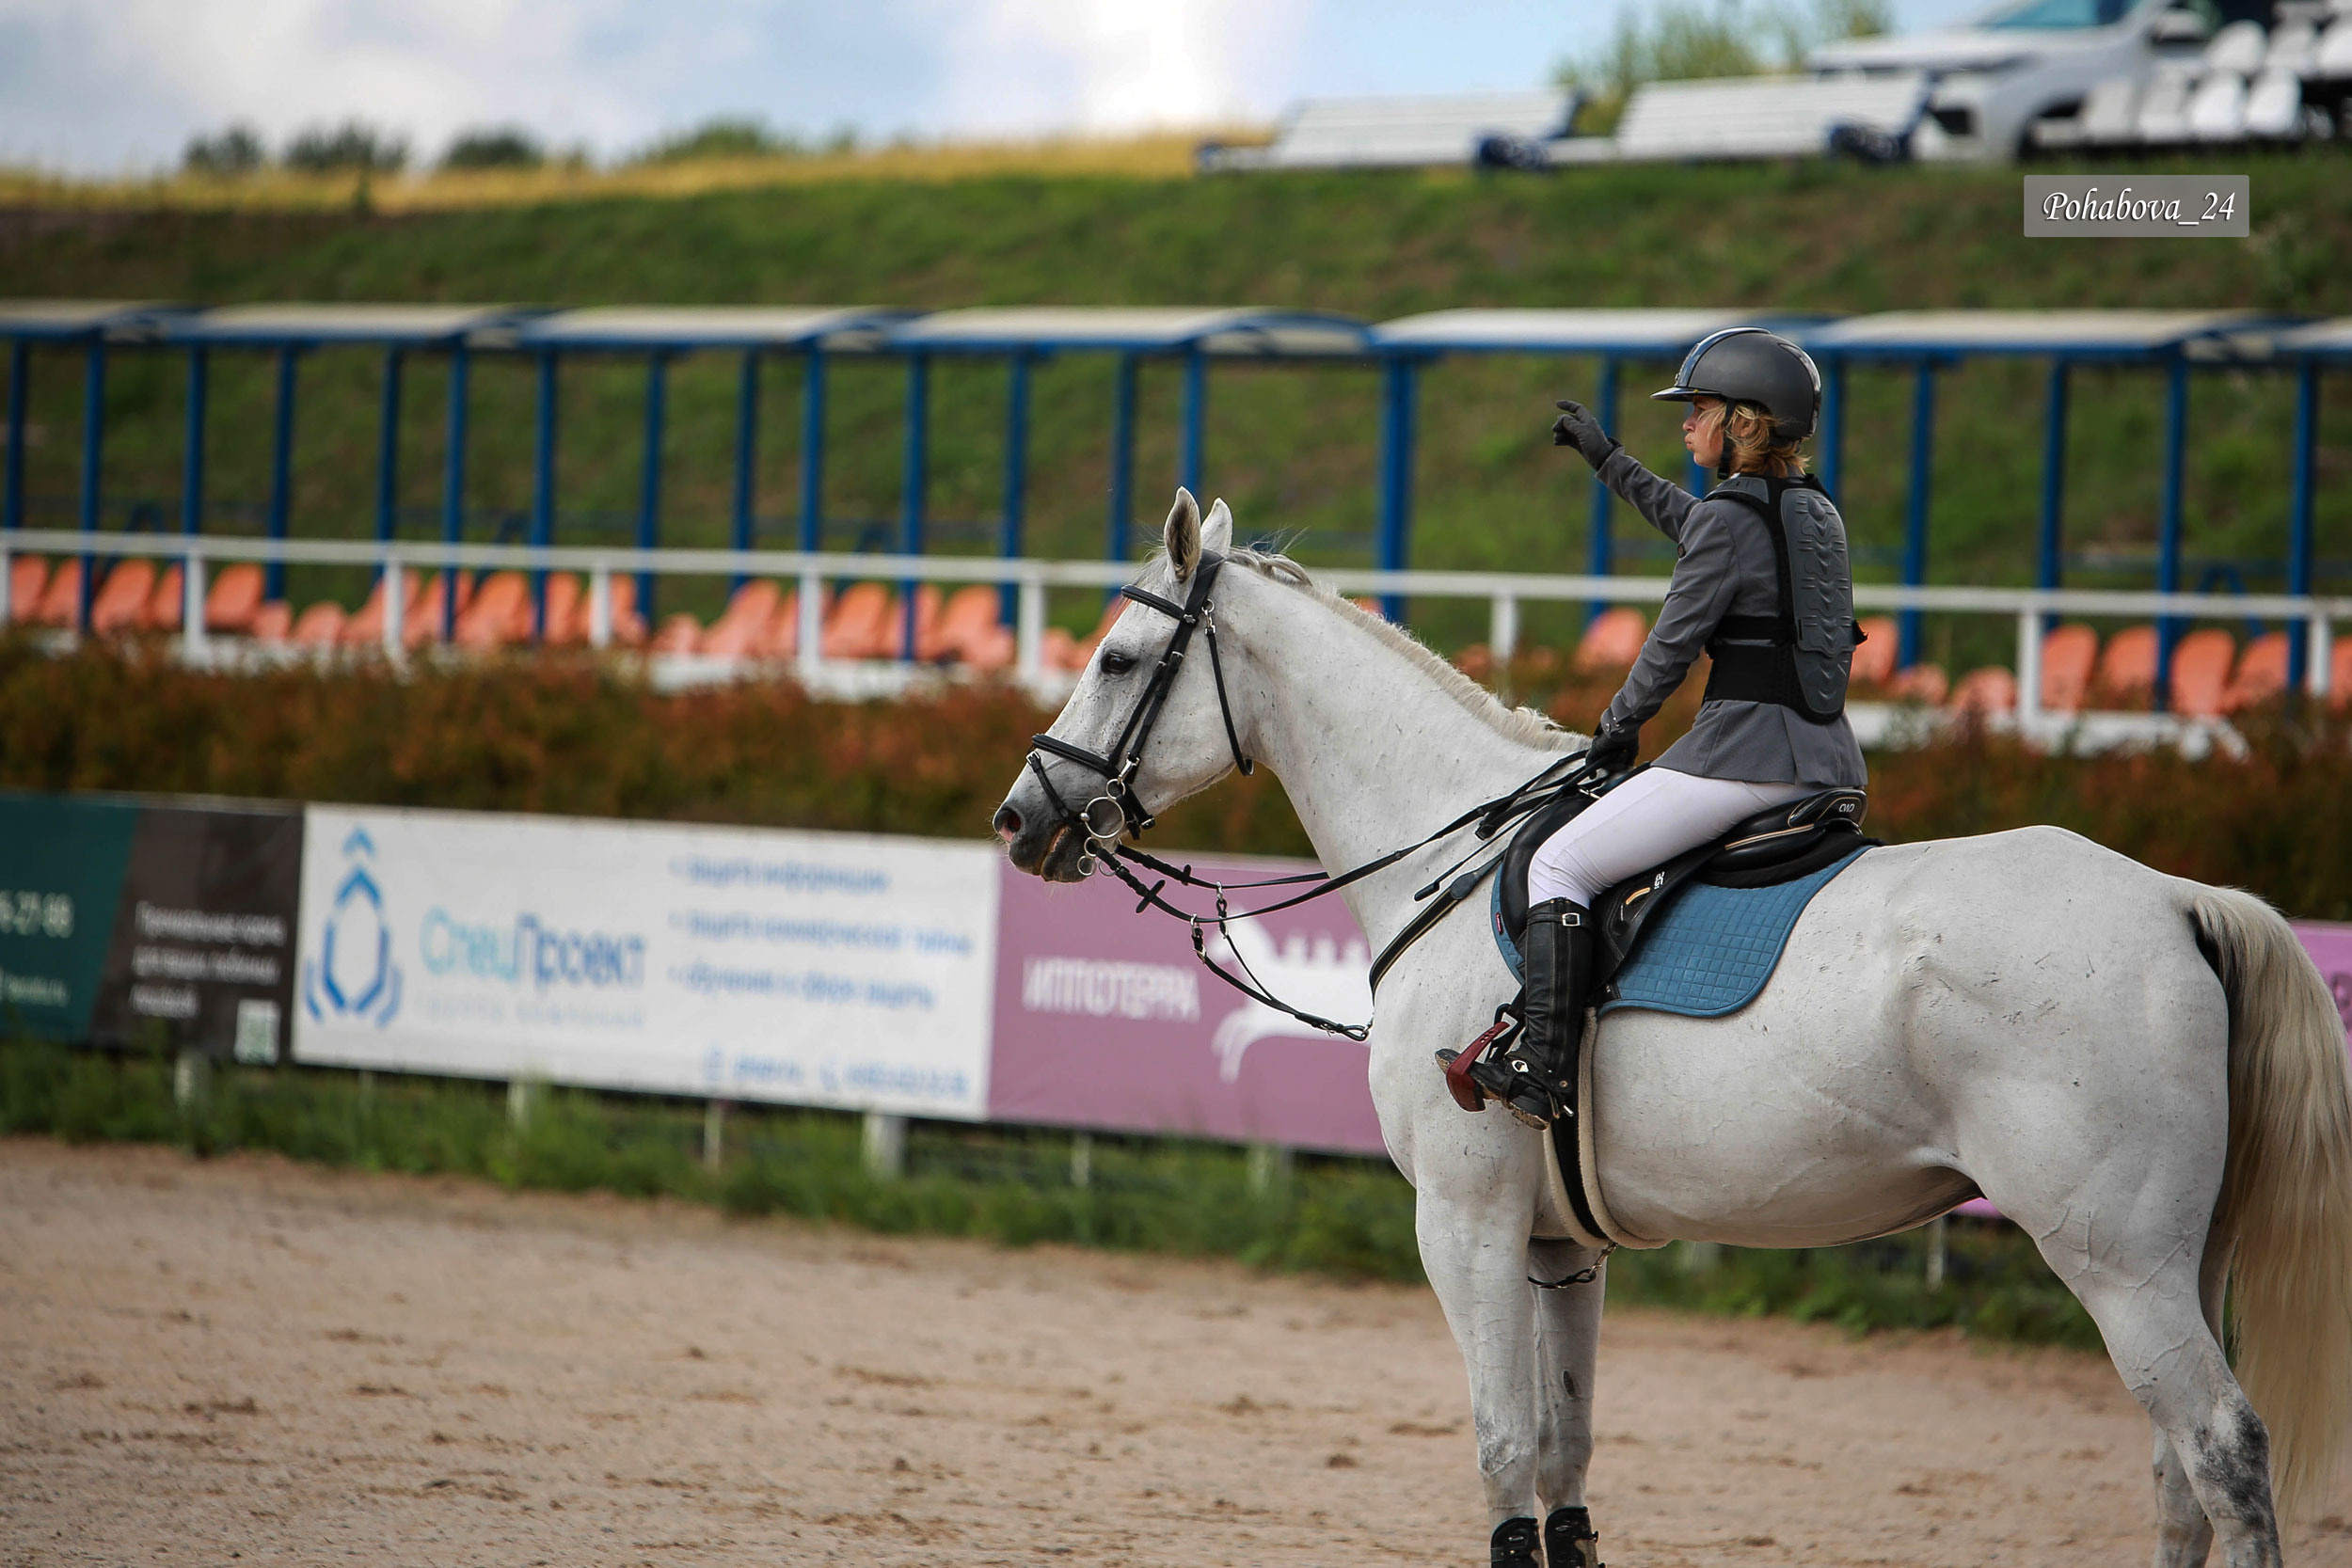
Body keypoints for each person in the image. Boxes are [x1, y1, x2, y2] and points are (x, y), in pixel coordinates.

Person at [1459, 327, 1868, 1129]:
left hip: (1744, 759)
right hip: (1831, 759)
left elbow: (1671, 644)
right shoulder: (1818, 513)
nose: (1686, 424)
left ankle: (1543, 1067)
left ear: (1746, 423)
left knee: (1558, 864)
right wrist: (1607, 459)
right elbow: (1699, 523)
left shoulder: (1731, 518)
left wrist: (1616, 727)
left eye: (1701, 409)